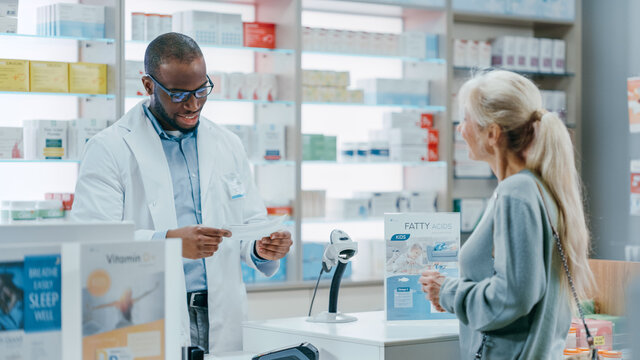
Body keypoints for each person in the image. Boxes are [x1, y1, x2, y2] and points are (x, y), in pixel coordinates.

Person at [71, 32, 292, 354]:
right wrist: (169, 243)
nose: (193, 104)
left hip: (218, 309)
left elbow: (248, 222)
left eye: (202, 90)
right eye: (177, 94)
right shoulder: (109, 148)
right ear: (148, 86)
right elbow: (92, 239)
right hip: (145, 308)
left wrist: (262, 246)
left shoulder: (227, 143)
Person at [419, 70, 594, 359]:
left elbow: (511, 298)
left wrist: (447, 292)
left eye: (466, 120)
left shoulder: (516, 192)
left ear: (493, 133)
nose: (460, 129)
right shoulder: (535, 187)